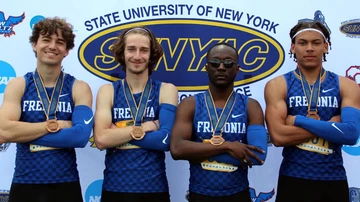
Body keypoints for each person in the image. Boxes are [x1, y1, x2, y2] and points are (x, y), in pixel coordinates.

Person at [264, 20, 360, 202]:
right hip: (293, 178)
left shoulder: (346, 85)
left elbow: (350, 134)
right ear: (292, 47)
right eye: (302, 43)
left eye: (316, 43)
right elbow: (278, 137)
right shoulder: (278, 85)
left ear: (326, 46)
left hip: (333, 178)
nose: (309, 48)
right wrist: (330, 127)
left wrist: (298, 120)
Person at [0, 17, 94, 202]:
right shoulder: (19, 85)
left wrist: (21, 131)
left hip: (66, 184)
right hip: (25, 182)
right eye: (46, 40)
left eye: (60, 42)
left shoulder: (78, 87)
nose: (52, 46)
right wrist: (56, 125)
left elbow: (80, 136)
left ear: (66, 51)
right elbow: (4, 131)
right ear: (35, 44)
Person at [170, 42, 268, 202]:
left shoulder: (250, 105)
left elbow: (257, 155)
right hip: (200, 194)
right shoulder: (190, 104)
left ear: (237, 69)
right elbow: (177, 149)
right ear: (206, 67)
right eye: (215, 63)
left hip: (238, 194)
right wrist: (229, 146)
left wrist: (198, 152)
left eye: (228, 63)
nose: (221, 67)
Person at [93, 26, 178, 202]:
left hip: (154, 189)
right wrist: (151, 125)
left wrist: (117, 131)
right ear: (122, 53)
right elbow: (101, 139)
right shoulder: (108, 91)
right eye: (131, 49)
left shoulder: (166, 90)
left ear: (151, 54)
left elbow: (166, 140)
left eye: (144, 50)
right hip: (114, 188)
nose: (137, 56)